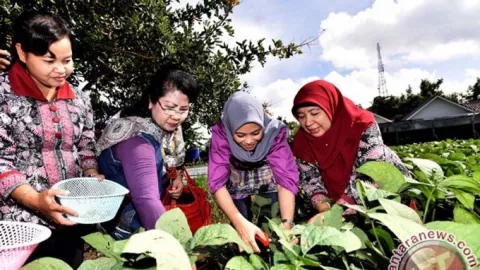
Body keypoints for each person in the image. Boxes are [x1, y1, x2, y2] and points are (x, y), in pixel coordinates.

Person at [0, 11, 102, 268]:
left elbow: (85, 144)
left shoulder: (79, 99)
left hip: (71, 217)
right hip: (20, 227)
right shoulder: (4, 95)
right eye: (49, 60)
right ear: (22, 53)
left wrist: (91, 176)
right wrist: (36, 200)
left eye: (67, 60)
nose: (61, 70)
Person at [96, 64, 198, 240]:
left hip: (133, 220)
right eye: (169, 107)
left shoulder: (164, 128)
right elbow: (146, 201)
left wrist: (176, 178)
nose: (176, 116)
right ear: (151, 101)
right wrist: (175, 253)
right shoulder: (137, 140)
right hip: (125, 228)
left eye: (184, 109)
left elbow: (171, 160)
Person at [291, 80, 410, 223]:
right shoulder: (302, 141)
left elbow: (372, 174)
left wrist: (337, 212)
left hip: (387, 196)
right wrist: (324, 207)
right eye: (301, 116)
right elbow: (311, 179)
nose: (308, 122)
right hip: (341, 203)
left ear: (331, 108)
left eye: (315, 113)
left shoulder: (362, 124)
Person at [208, 91, 299, 253]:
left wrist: (287, 226)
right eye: (240, 135)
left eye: (256, 133)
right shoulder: (222, 134)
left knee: (272, 227)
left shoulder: (274, 133)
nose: (249, 141)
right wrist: (238, 221)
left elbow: (286, 180)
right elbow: (217, 183)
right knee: (242, 234)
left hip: (266, 178)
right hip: (238, 181)